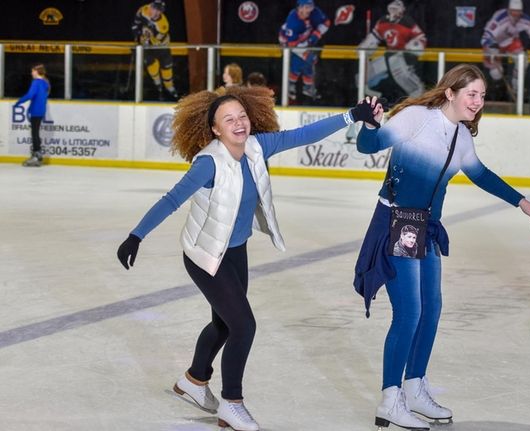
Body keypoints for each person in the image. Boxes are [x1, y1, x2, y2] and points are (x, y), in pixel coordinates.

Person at [116, 85, 381, 431]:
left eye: (242, 116)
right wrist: (136, 235)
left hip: (235, 250)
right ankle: (232, 403)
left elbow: (303, 135)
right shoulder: (208, 163)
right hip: (204, 254)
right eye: (229, 119)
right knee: (243, 325)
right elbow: (172, 199)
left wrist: (352, 116)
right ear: (215, 128)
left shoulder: (258, 146)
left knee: (225, 323)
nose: (239, 123)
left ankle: (194, 381)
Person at [352, 64, 530, 430]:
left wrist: (521, 202)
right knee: (409, 312)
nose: (478, 102)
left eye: (483, 96)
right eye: (472, 94)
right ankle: (391, 400)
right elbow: (369, 146)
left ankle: (415, 386)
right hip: (396, 222)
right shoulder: (415, 118)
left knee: (432, 309)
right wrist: (370, 123)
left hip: (426, 227)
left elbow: (481, 174)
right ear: (450, 92)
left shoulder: (461, 137)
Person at [359, 0, 427, 103]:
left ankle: (419, 95)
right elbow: (374, 37)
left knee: (400, 74)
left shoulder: (407, 22)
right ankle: (367, 92)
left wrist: (411, 47)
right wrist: (366, 46)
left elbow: (421, 39)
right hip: (389, 55)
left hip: (402, 56)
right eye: (392, 9)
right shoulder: (383, 21)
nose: (393, 12)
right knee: (369, 71)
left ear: (401, 11)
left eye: (396, 9)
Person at [480, 0, 530, 101]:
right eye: (513, 12)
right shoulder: (499, 19)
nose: (515, 16)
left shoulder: (525, 19)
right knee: (496, 73)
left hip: (510, 40)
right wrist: (492, 50)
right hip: (494, 43)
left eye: (518, 12)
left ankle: (516, 89)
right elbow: (486, 37)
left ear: (521, 12)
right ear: (508, 10)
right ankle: (497, 93)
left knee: (522, 60)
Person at [278, 0, 330, 101]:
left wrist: (317, 33)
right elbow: (291, 44)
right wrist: (307, 48)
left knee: (309, 59)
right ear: (299, 8)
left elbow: (327, 22)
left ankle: (303, 86)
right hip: (289, 43)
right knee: (306, 59)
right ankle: (293, 86)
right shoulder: (294, 22)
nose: (309, 10)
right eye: (306, 7)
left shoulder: (312, 12)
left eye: (310, 7)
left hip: (304, 38)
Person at [131, 0, 179, 101]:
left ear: (161, 12)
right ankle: (158, 87)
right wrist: (137, 36)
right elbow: (136, 23)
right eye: (153, 8)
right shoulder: (143, 10)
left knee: (166, 69)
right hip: (148, 46)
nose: (154, 11)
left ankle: (170, 88)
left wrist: (145, 40)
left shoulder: (163, 25)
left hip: (161, 47)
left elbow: (156, 41)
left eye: (158, 10)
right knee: (152, 67)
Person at [14, 64, 50, 167]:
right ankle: (38, 155)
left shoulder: (36, 82)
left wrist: (19, 101)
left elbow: (30, 95)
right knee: (36, 132)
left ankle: (36, 155)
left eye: (33, 71)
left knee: (34, 133)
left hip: (36, 111)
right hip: (40, 110)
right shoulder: (44, 83)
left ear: (37, 72)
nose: (31, 73)